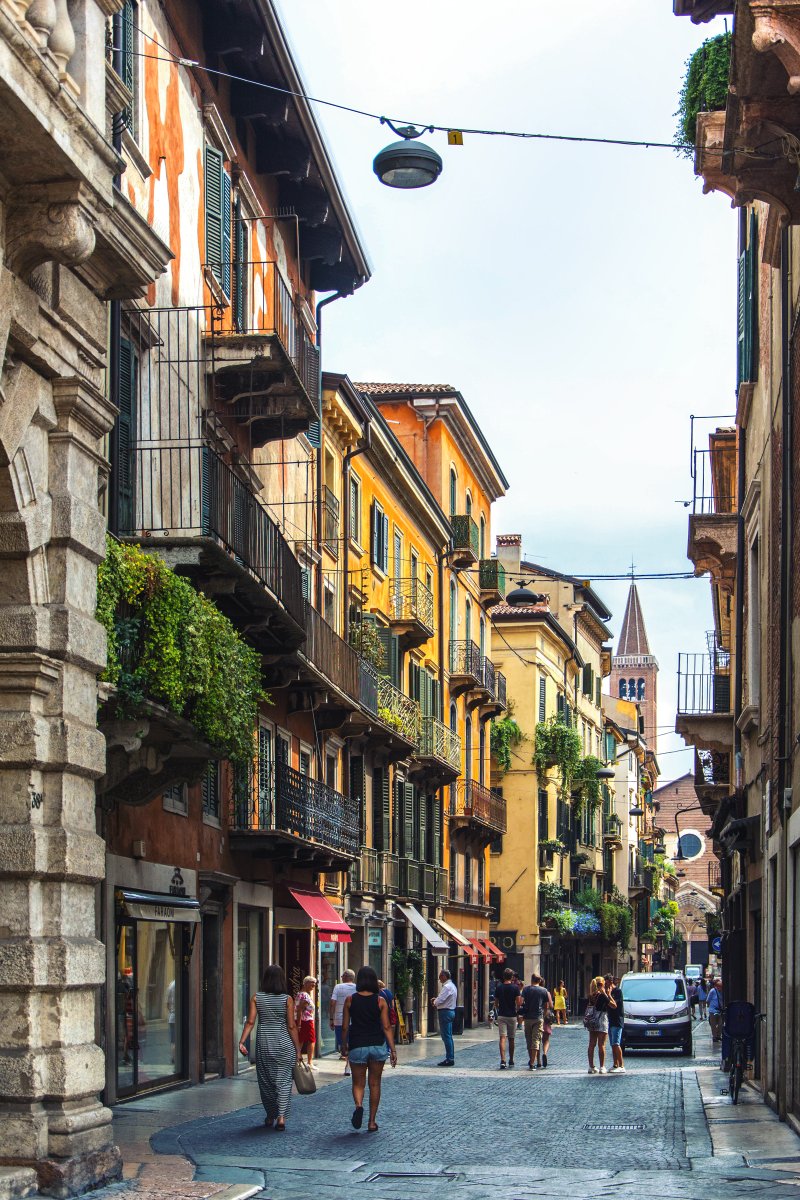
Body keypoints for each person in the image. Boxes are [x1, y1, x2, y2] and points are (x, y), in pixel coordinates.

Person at [239, 964, 301, 1131]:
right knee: (284, 1081)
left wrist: (242, 1041)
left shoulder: (256, 998)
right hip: (284, 1044)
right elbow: (291, 1026)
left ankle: (270, 1115)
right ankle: (281, 1117)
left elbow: (250, 1022)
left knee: (266, 1081)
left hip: (265, 1044)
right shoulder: (287, 999)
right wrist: (298, 1049)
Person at [341, 965, 397, 1133]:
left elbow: (345, 1027)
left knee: (358, 1083)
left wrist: (344, 1045)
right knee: (375, 1083)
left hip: (358, 1045)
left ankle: (359, 1106)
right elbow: (386, 1027)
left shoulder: (350, 1000)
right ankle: (372, 1122)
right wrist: (393, 1050)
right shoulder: (380, 1001)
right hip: (377, 1045)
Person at [519, 973, 551, 1070]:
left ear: (532, 980)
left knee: (529, 1041)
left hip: (527, 1018)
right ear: (539, 981)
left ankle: (532, 1060)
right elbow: (546, 1006)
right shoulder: (544, 990)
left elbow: (520, 1002)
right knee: (536, 1040)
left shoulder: (526, 989)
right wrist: (544, 1015)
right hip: (538, 1018)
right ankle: (533, 1063)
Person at [585, 975, 616, 1074]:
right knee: (601, 1045)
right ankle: (602, 1067)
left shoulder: (591, 995)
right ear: (601, 984)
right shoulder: (602, 995)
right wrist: (607, 994)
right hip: (602, 1019)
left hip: (592, 1020)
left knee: (591, 1044)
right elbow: (613, 1005)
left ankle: (591, 1067)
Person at [329, 968, 357, 1073]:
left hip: (339, 1019)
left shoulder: (338, 987)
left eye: (342, 976)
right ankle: (349, 1064)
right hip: (353, 1019)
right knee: (351, 1042)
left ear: (345, 977)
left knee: (343, 1043)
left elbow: (332, 1002)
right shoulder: (357, 988)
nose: (341, 978)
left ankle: (348, 1065)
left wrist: (331, 1018)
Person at [494, 967, 521, 1069]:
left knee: (502, 1038)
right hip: (512, 1016)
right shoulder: (515, 988)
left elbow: (496, 1003)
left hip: (502, 1015)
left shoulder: (499, 987)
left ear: (503, 976)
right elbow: (518, 1003)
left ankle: (503, 1060)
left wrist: (499, 1007)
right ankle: (511, 1060)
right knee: (512, 1039)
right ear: (512, 977)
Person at [430, 968, 457, 1066]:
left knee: (446, 1036)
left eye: (440, 977)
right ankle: (450, 1057)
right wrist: (437, 1000)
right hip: (450, 1011)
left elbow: (440, 1000)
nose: (439, 979)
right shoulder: (452, 986)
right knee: (448, 1036)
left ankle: (449, 1058)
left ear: (444, 976)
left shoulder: (447, 987)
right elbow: (443, 998)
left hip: (445, 1012)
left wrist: (434, 1001)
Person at [295, 976, 317, 1069]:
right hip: (306, 1021)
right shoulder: (304, 995)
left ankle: (298, 1061)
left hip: (303, 1020)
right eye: (312, 983)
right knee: (311, 1040)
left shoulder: (301, 994)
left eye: (315, 983)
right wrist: (299, 1024)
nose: (314, 985)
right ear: (306, 983)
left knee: (300, 1040)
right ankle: (309, 1062)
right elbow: (300, 1009)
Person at [605, 973, 625, 1073]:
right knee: (613, 1044)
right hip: (610, 1020)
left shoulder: (618, 991)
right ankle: (615, 1064)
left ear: (611, 982)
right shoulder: (607, 991)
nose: (605, 986)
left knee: (616, 1044)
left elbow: (614, 1005)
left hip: (617, 1020)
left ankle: (621, 1065)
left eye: (607, 983)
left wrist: (608, 995)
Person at [537, 995, 553, 1069]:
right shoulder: (546, 993)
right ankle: (545, 1053)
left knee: (537, 1041)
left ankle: (538, 1061)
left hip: (537, 1017)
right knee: (546, 1040)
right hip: (545, 1019)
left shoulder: (532, 990)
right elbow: (551, 1005)